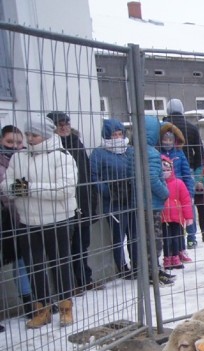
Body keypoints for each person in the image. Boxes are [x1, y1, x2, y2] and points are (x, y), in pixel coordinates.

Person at [1, 115, 78, 329]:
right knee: (35, 267)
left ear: (45, 135)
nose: (29, 139)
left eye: (33, 135)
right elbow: (6, 186)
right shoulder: (19, 158)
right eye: (28, 134)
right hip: (28, 220)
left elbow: (65, 189)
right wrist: (28, 189)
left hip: (58, 220)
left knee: (60, 263)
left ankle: (65, 308)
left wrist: (29, 188)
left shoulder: (62, 157)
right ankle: (42, 309)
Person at [47, 112, 97, 295]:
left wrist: (92, 201)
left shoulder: (77, 144)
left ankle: (85, 279)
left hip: (82, 202)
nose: (64, 127)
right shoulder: (52, 149)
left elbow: (87, 174)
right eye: (59, 124)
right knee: (65, 248)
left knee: (82, 244)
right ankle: (70, 285)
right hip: (63, 205)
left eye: (66, 123)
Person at [89, 118, 137, 279]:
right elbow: (94, 176)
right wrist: (107, 190)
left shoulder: (129, 151)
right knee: (118, 236)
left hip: (131, 199)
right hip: (113, 203)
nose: (117, 137)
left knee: (134, 234)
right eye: (113, 135)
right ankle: (122, 267)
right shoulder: (99, 153)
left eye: (119, 134)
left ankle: (137, 264)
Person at [0, 125, 33, 319]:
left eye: (19, 142)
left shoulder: (26, 160)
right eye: (10, 142)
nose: (15, 146)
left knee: (24, 262)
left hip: (24, 219)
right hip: (5, 221)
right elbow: (11, 192)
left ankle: (30, 301)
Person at [164, 98, 204, 246]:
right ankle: (192, 235)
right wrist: (197, 169)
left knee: (170, 203)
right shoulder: (191, 128)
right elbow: (199, 151)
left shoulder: (163, 128)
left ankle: (174, 237)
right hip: (188, 171)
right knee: (188, 202)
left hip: (166, 169)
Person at [142, 115, 175, 286]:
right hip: (152, 203)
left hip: (142, 204)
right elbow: (153, 179)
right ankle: (152, 272)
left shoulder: (135, 150)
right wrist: (165, 193)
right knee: (154, 240)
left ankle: (151, 270)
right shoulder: (152, 153)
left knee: (146, 240)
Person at [158, 122, 195, 254]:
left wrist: (190, 193)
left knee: (180, 222)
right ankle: (170, 252)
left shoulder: (179, 154)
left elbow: (187, 174)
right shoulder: (158, 154)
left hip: (179, 192)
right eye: (165, 139)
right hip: (164, 192)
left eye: (170, 139)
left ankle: (182, 247)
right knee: (168, 224)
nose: (167, 142)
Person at [159, 155, 194, 271]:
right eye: (163, 171)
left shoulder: (178, 183)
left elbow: (185, 200)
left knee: (176, 238)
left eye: (168, 170)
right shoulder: (158, 184)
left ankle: (176, 256)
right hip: (163, 218)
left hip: (177, 217)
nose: (166, 173)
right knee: (166, 239)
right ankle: (167, 258)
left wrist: (188, 217)